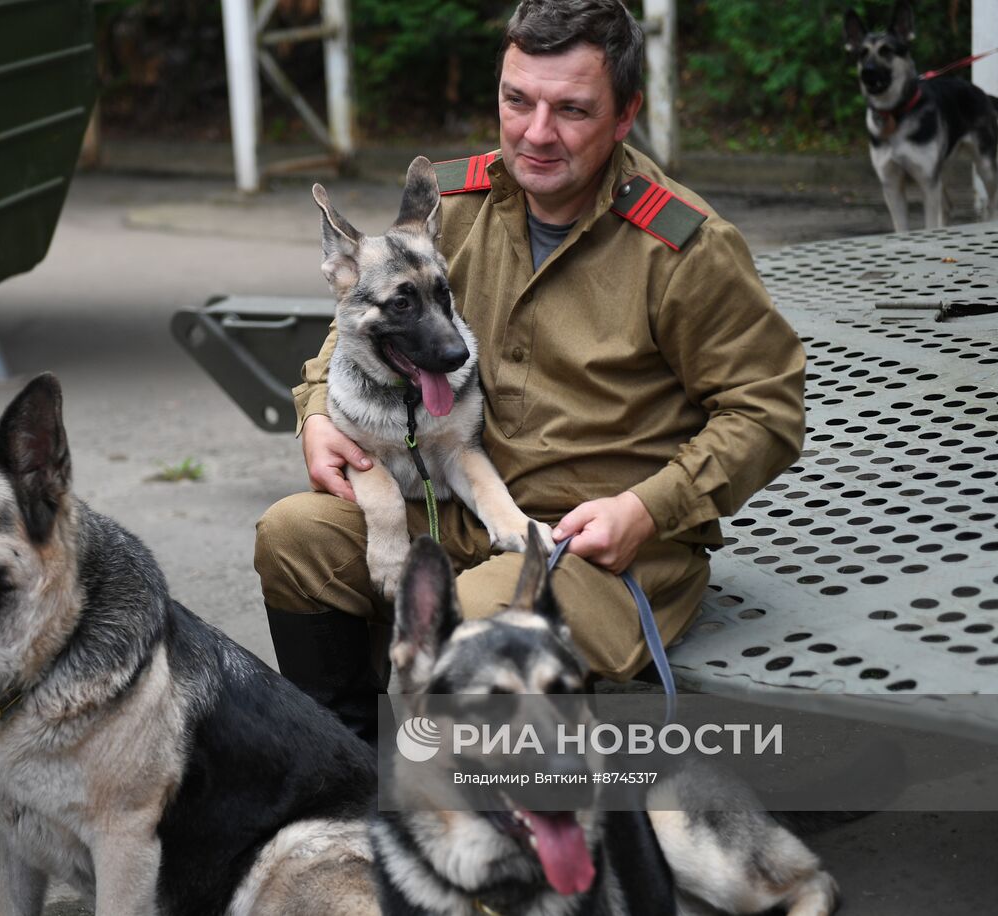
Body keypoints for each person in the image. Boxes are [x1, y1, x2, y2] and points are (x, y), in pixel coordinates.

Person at [255, 0, 806, 739]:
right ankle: (347, 775)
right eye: (518, 101)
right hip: (465, 509)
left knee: (474, 632)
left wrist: (649, 509)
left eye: (572, 110)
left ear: (624, 116)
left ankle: (455, 823)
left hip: (599, 549)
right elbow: (365, 317)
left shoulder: (684, 249)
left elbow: (767, 412)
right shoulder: (454, 203)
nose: (536, 134)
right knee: (292, 536)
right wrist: (318, 411)